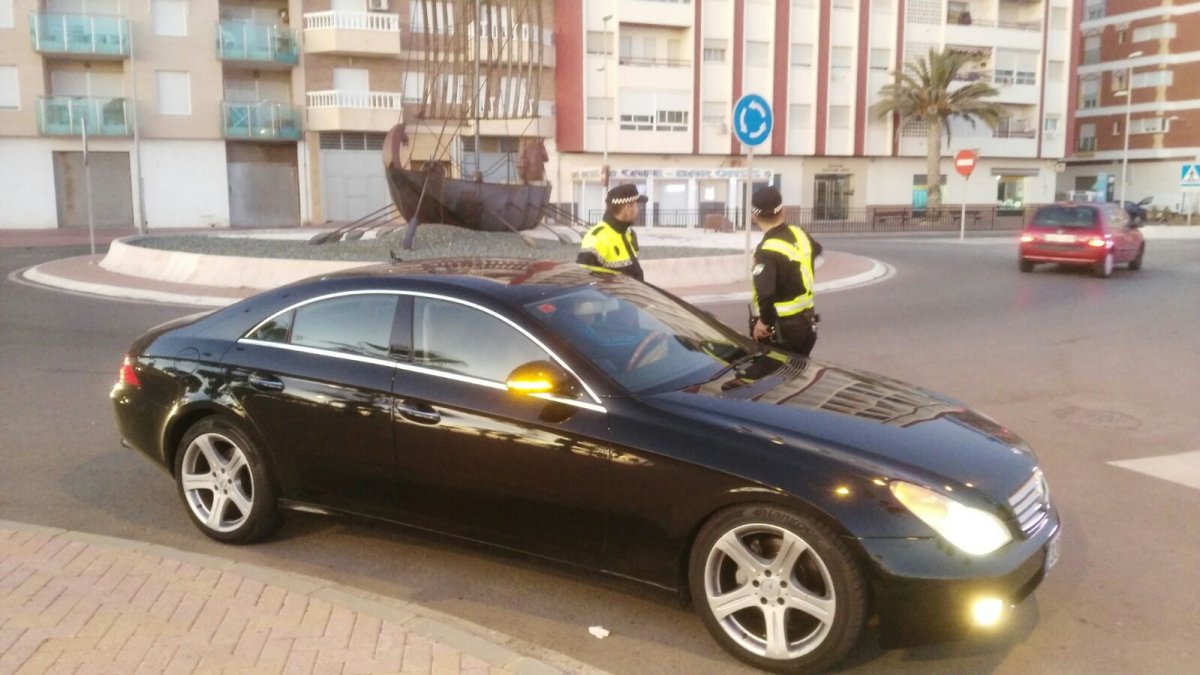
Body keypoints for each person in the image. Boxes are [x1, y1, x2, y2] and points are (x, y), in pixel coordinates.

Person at [749, 187, 823, 356]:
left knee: (777, 377)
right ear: (783, 211)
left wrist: (763, 323)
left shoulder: (765, 251)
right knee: (799, 375)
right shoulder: (799, 234)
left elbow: (766, 294)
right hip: (807, 326)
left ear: (754, 216)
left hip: (781, 331)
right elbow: (816, 250)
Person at [577, 183, 647, 281]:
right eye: (636, 205)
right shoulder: (597, 238)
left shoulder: (628, 233)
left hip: (634, 294)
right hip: (616, 296)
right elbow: (583, 280)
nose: (638, 210)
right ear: (628, 208)